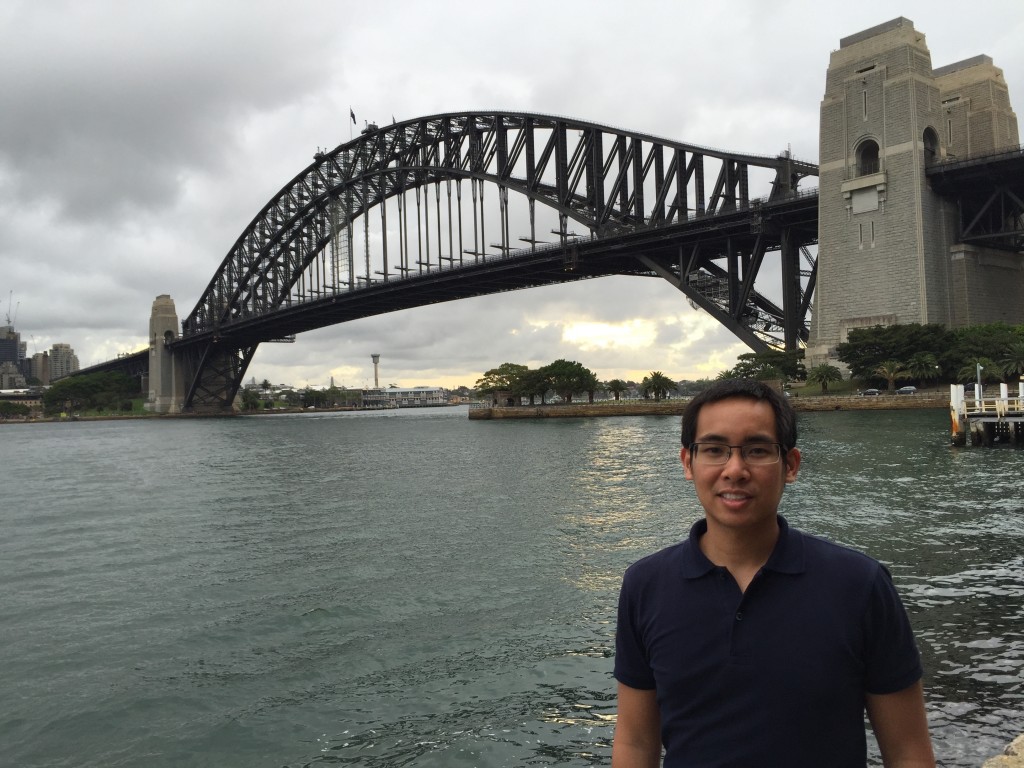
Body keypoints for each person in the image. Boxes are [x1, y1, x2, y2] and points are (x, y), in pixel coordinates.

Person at [611, 379, 935, 767]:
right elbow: (635, 742)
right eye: (714, 450)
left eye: (757, 450)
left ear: (791, 465)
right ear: (687, 463)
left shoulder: (859, 584)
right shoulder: (645, 585)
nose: (735, 469)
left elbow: (907, 751)